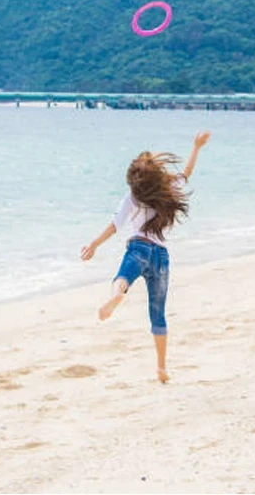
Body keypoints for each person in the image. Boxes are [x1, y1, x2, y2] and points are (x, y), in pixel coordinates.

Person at [81, 131, 211, 383]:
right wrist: (196, 147)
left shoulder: (132, 198)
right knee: (158, 313)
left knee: (122, 278)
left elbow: (114, 225)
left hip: (138, 248)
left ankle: (117, 295)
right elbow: (186, 173)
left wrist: (94, 244)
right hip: (161, 257)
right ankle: (161, 368)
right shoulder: (167, 191)